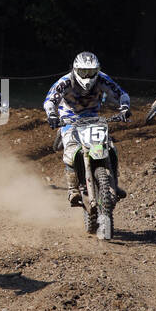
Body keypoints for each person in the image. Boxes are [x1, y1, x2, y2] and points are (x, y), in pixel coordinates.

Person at [44, 51, 131, 205]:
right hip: (69, 118)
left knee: (109, 147)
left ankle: (113, 184)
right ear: (75, 69)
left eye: (91, 72)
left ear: (97, 70)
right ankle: (73, 189)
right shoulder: (65, 82)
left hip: (93, 118)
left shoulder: (103, 79)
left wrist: (124, 108)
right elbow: (50, 100)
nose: (87, 76)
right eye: (83, 72)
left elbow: (121, 94)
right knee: (71, 149)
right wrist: (51, 115)